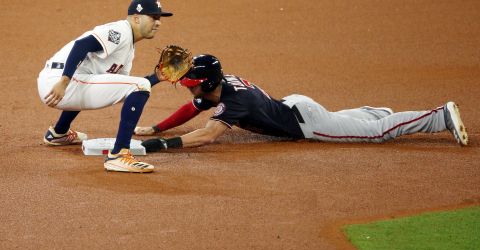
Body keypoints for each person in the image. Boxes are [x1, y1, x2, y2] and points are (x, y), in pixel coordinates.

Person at [135, 54, 468, 152]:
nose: (187, 88)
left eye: (190, 83)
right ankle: (377, 112)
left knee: (377, 134)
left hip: (308, 123)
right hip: (298, 105)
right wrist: (155, 127)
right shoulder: (220, 86)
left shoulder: (235, 103)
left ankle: (439, 116)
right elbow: (190, 110)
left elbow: (207, 135)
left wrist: (162, 144)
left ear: (206, 83)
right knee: (358, 121)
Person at [37, 0, 174, 173]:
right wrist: (64, 81)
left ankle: (58, 133)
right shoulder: (121, 31)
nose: (158, 22)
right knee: (138, 84)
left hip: (71, 81)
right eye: (154, 17)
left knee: (125, 83)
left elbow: (122, 90)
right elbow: (82, 45)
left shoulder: (128, 51)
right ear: (137, 18)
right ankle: (118, 155)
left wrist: (156, 77)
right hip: (58, 81)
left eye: (160, 18)